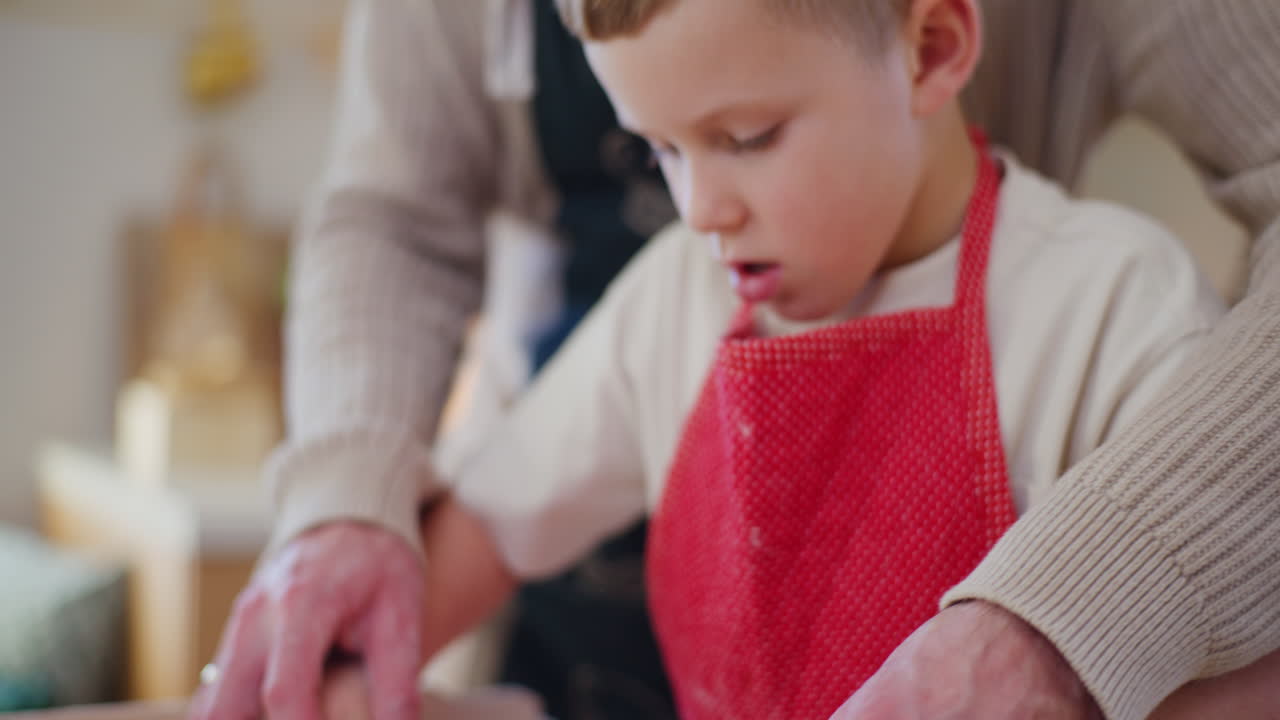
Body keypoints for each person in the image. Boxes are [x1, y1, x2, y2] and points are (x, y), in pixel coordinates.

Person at [193, 1, 1280, 720]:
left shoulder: (1111, 308)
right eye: (659, 147)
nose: (699, 207)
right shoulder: (673, 299)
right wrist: (326, 641)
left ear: (934, 47)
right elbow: (480, 530)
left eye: (747, 135)